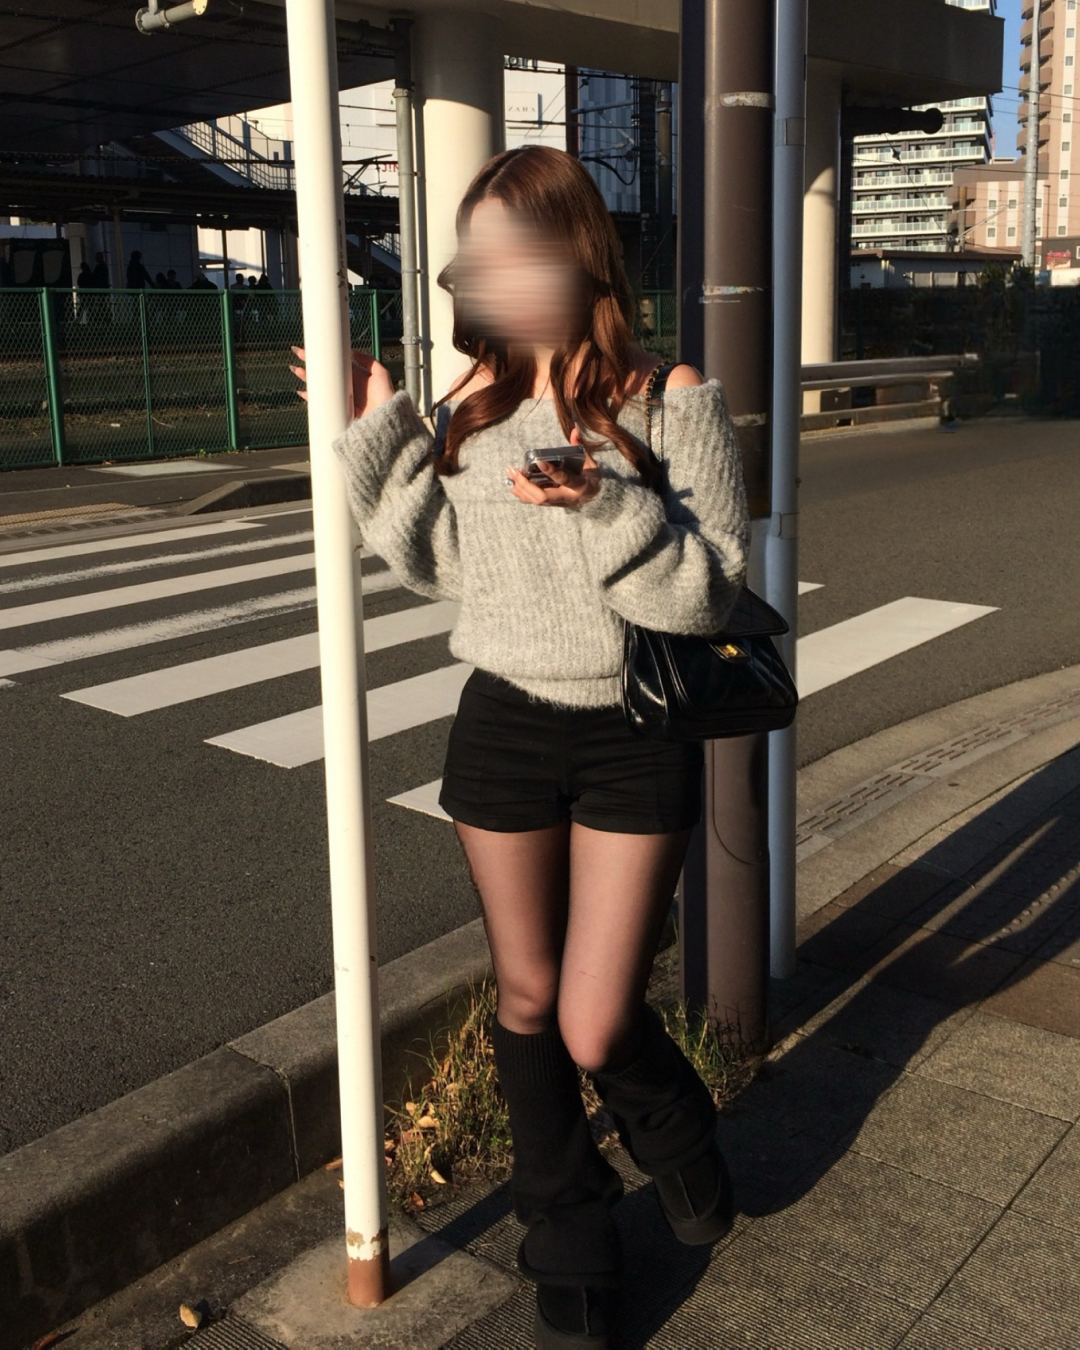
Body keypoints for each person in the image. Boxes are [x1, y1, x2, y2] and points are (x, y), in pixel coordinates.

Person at [292, 144, 750, 1350]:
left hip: (634, 729)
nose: (491, 277)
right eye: (477, 258)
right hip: (503, 724)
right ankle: (568, 1236)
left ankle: (675, 1130)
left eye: (515, 252)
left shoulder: (669, 397)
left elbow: (712, 594)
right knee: (529, 997)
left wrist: (603, 502)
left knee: (598, 1020)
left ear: (575, 254)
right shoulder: (472, 408)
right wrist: (380, 427)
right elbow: (442, 566)